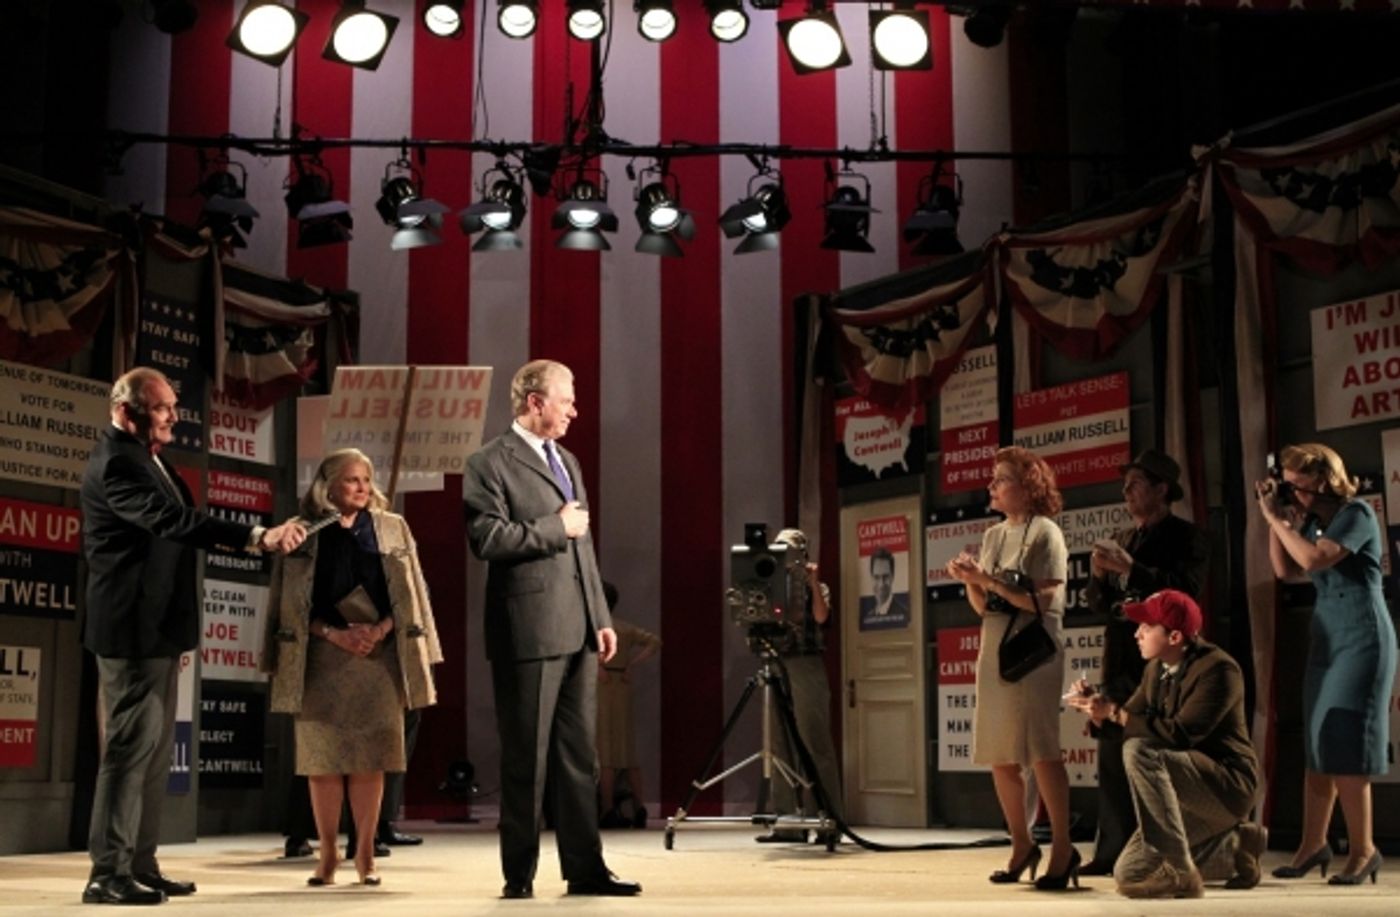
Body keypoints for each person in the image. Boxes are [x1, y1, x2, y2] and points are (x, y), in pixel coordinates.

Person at [80, 367, 305, 906]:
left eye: (172, 408)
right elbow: (172, 522)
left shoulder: (146, 457)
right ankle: (105, 874)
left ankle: (140, 863)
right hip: (130, 629)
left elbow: (178, 522)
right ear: (125, 411)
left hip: (157, 628)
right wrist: (255, 535)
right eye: (162, 409)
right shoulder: (117, 464)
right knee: (129, 752)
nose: (174, 418)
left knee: (153, 753)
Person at [463, 359, 641, 899]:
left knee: (578, 758)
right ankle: (518, 875)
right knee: (526, 758)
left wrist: (600, 617)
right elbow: (487, 538)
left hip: (578, 629)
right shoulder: (489, 462)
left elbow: (582, 542)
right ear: (535, 402)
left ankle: (585, 869)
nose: (574, 410)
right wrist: (552, 527)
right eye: (566, 400)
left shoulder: (567, 460)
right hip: (529, 628)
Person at [262, 448, 443, 888]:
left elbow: (413, 593)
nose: (362, 488)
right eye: (351, 480)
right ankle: (326, 854)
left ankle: (364, 853)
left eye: (366, 479)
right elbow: (288, 603)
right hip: (322, 656)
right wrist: (334, 634)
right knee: (322, 761)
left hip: (377, 659)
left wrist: (379, 630)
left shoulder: (392, 527)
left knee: (370, 759)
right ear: (328, 485)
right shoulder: (301, 531)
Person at [1256, 443, 1396, 886]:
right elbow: (1286, 571)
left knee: (1346, 741)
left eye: (1297, 483)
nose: (1292, 492)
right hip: (1328, 638)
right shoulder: (1314, 522)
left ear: (1321, 480)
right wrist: (1276, 523)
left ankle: (1363, 850)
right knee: (1318, 742)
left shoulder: (1356, 513)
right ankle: (1312, 844)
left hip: (1362, 635)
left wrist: (1278, 520)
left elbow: (1315, 558)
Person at [1067, 589, 1263, 898]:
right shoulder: (1155, 669)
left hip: (1226, 788)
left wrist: (1116, 714)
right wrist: (1099, 709)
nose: (1137, 634)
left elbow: (1180, 736)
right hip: (1181, 794)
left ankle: (1181, 871)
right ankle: (1236, 847)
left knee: (1140, 751)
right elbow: (1128, 721)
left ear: (1173, 637)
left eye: (1146, 627)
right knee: (1129, 873)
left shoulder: (1219, 670)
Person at [945, 446, 1077, 890]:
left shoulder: (1047, 533)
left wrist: (986, 580)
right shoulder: (993, 536)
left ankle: (1062, 846)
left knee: (1042, 749)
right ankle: (1021, 843)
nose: (991, 486)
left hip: (1035, 651)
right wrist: (971, 583)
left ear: (1027, 486)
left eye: (1000, 479)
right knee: (1000, 754)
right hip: (996, 648)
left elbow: (1045, 601)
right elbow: (986, 607)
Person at [1081, 449, 1210, 875]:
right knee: (1112, 755)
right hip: (1120, 658)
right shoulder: (1124, 537)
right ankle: (1110, 852)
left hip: (1164, 664)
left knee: (1156, 754)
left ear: (1161, 489)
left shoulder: (1187, 537)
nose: (1126, 491)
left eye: (1136, 483)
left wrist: (1133, 569)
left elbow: (1185, 593)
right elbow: (1099, 607)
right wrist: (1099, 575)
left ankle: (1163, 851)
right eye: (1126, 484)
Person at [757, 528, 844, 845]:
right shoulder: (772, 585)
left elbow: (822, 618)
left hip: (806, 662)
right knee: (779, 744)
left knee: (814, 740)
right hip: (777, 661)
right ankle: (787, 823)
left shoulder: (817, 586)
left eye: (790, 551)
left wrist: (811, 584)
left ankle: (828, 817)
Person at [596, 582, 662, 829]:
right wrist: (631, 665)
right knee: (627, 751)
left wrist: (598, 665)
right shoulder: (623, 627)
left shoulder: (594, 627)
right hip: (621, 685)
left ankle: (607, 808)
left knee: (606, 754)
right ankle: (639, 806)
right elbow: (654, 641)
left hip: (601, 689)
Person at [860, 548, 910, 621]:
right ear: (871, 577)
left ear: (892, 576)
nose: (881, 584)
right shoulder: (868, 617)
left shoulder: (905, 615)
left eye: (885, 577)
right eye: (876, 577)